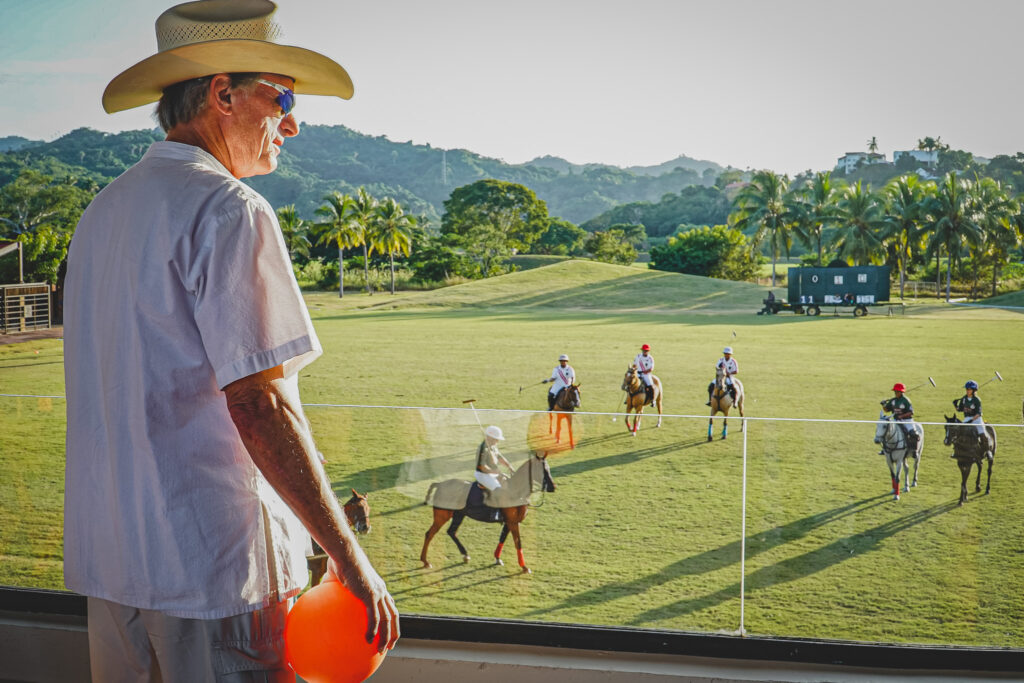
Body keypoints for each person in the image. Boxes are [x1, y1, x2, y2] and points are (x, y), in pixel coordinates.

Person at [62, 1, 397, 679]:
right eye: (283, 96)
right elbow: (260, 404)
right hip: (212, 576)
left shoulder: (102, 213)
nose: (292, 122)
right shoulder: (230, 210)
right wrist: (347, 556)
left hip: (113, 569)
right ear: (222, 93)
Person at [953, 380, 991, 455]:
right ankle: (957, 451)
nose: (967, 391)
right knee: (959, 432)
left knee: (982, 433)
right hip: (967, 418)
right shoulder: (964, 398)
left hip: (976, 419)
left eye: (969, 389)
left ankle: (988, 451)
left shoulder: (977, 400)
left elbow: (979, 413)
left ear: (973, 390)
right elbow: (960, 409)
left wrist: (971, 420)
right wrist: (955, 405)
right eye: (966, 389)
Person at [881, 382, 919, 451]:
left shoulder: (906, 401)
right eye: (895, 391)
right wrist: (883, 405)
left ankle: (914, 451)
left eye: (897, 391)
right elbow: (886, 410)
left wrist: (901, 416)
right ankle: (885, 449)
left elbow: (911, 412)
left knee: (913, 434)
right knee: (886, 431)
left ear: (901, 392)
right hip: (896, 420)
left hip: (907, 421)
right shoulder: (893, 400)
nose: (896, 393)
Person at [475, 425, 514, 491]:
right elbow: (482, 467)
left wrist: (509, 466)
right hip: (483, 475)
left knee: (506, 481)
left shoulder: (493, 446)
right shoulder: (483, 449)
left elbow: (499, 457)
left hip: (492, 473)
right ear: (489, 438)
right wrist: (494, 471)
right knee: (498, 489)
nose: (498, 441)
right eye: (496, 439)